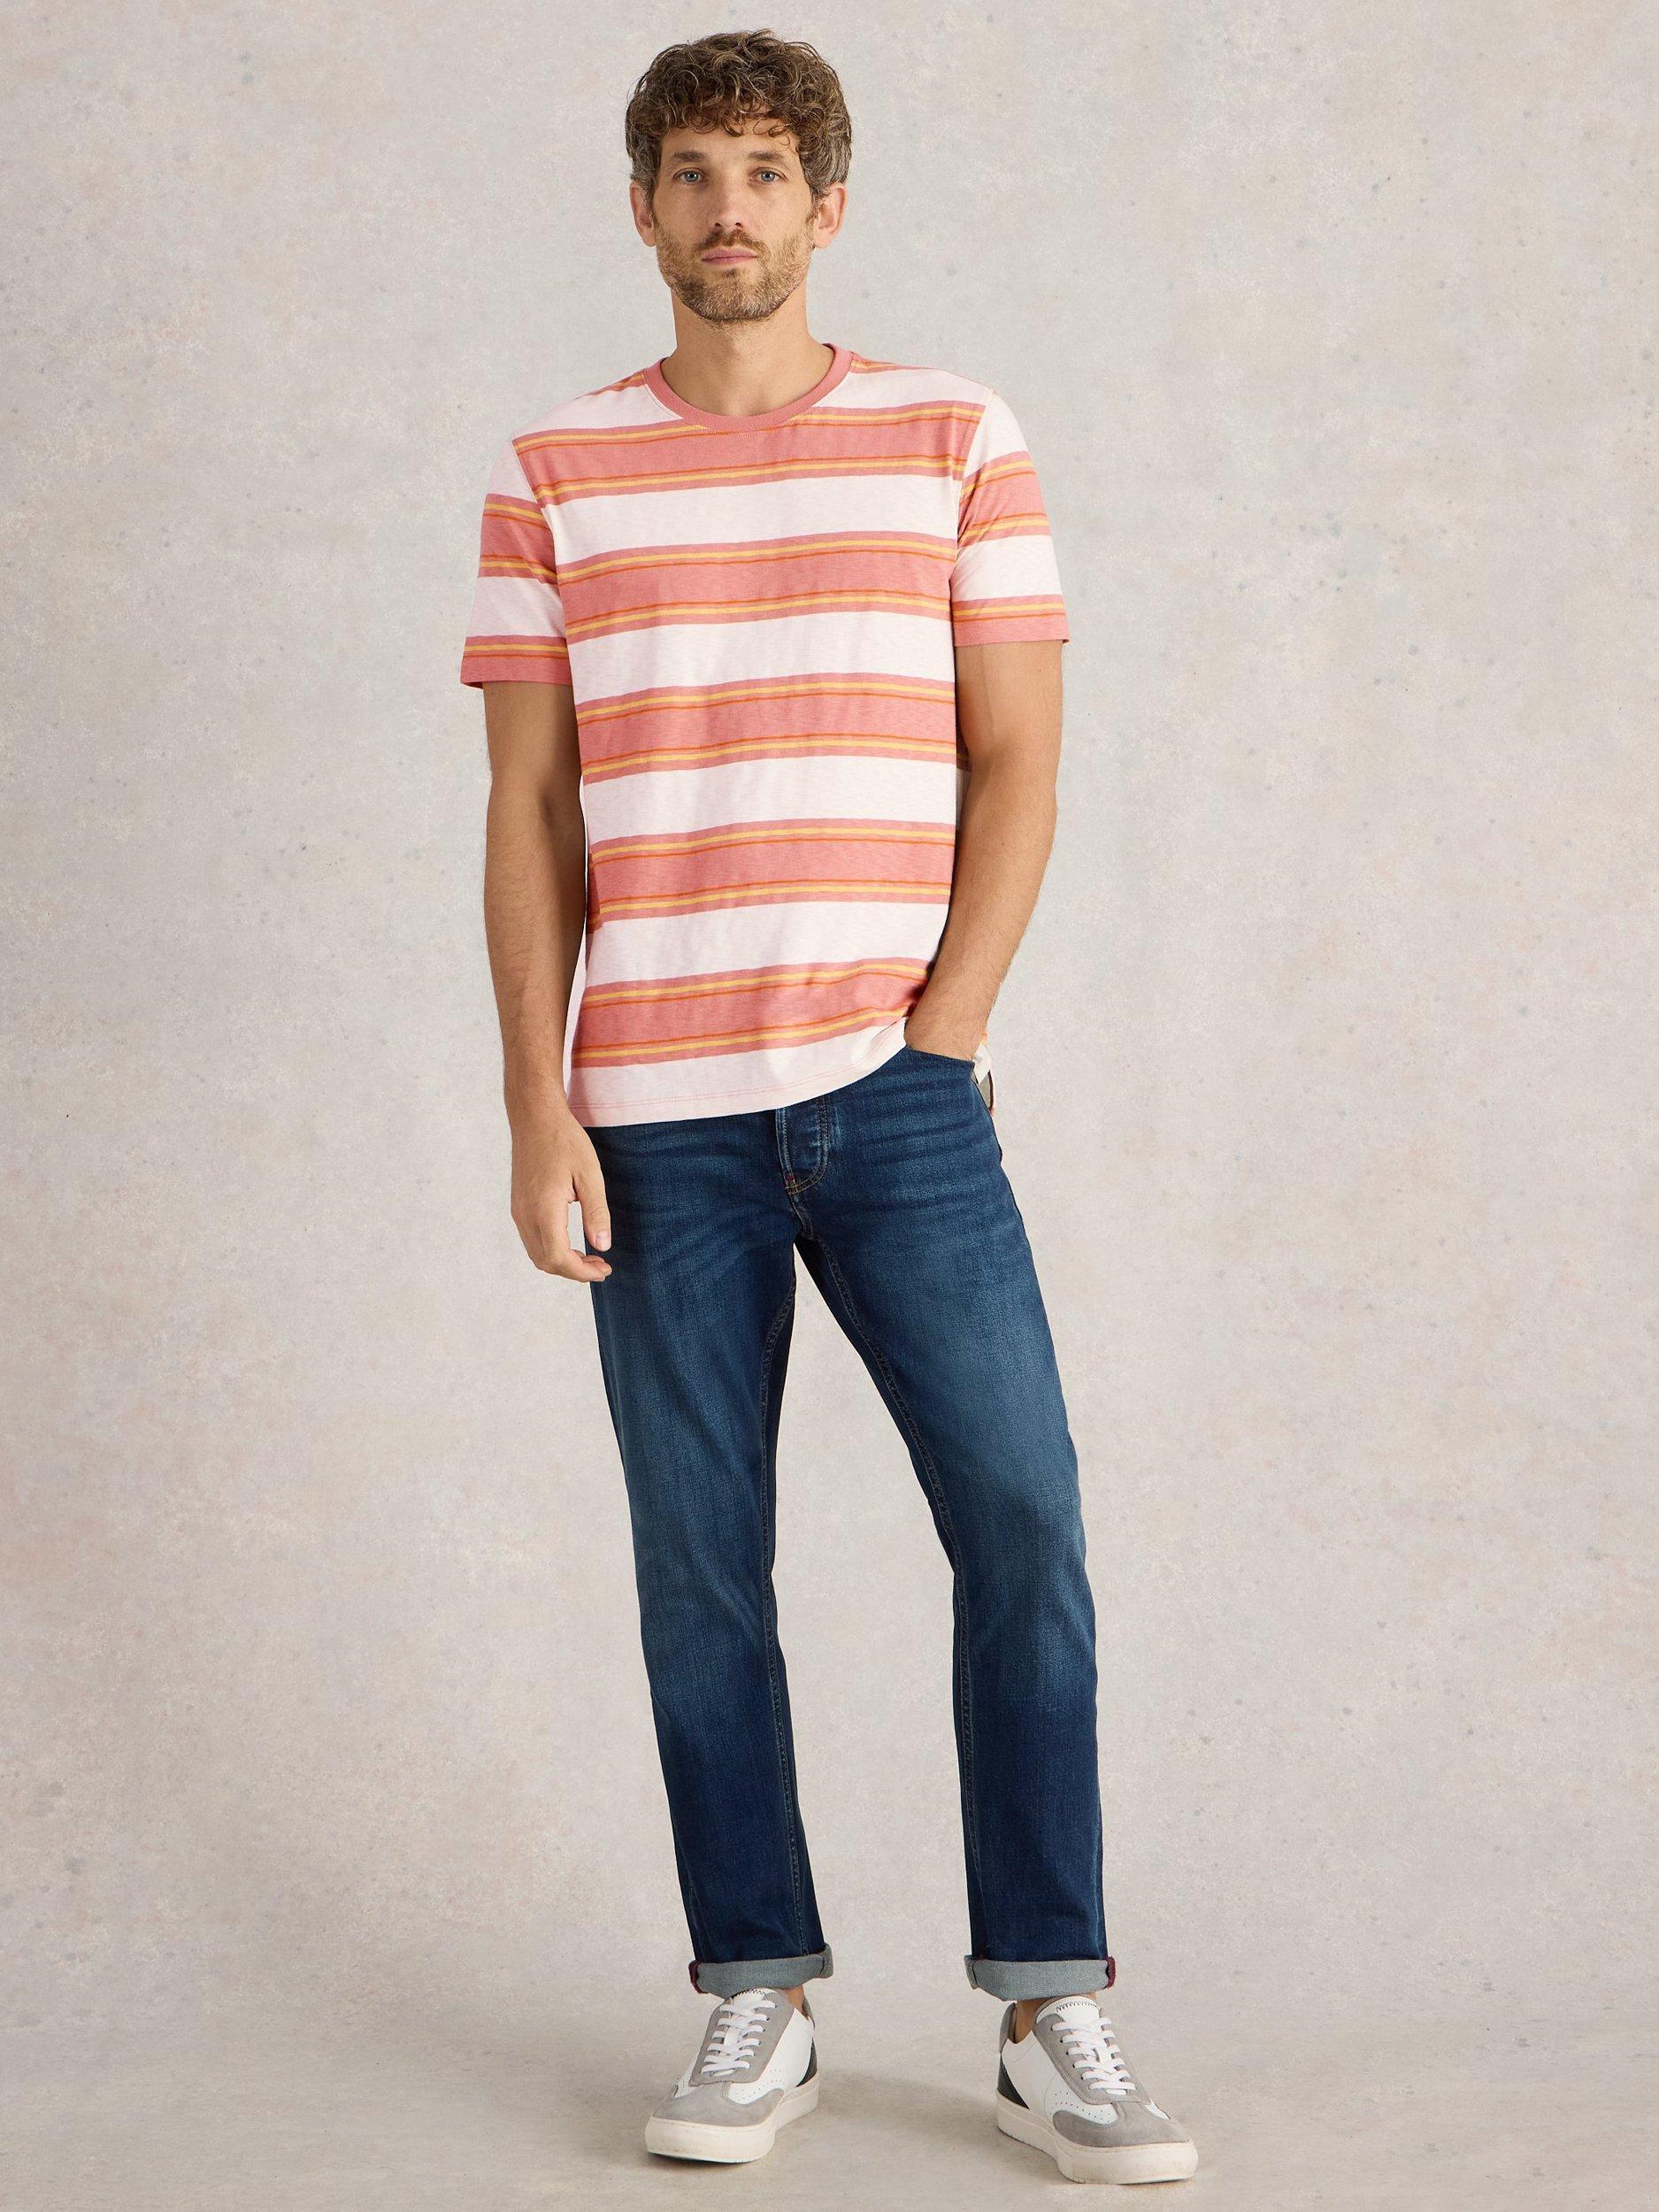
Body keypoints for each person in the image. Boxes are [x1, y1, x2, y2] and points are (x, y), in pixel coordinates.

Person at [458, 27, 1197, 2186]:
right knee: (700, 1565)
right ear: (640, 209)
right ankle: (755, 1984)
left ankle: (1045, 1995)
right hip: (652, 1112)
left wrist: (938, 1032)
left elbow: (1018, 754)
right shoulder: (551, 471)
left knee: (1023, 1523)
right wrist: (534, 1102)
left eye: (766, 171)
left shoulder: (952, 434)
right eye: (691, 172)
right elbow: (527, 813)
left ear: (827, 205)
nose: (729, 209)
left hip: (895, 1097)